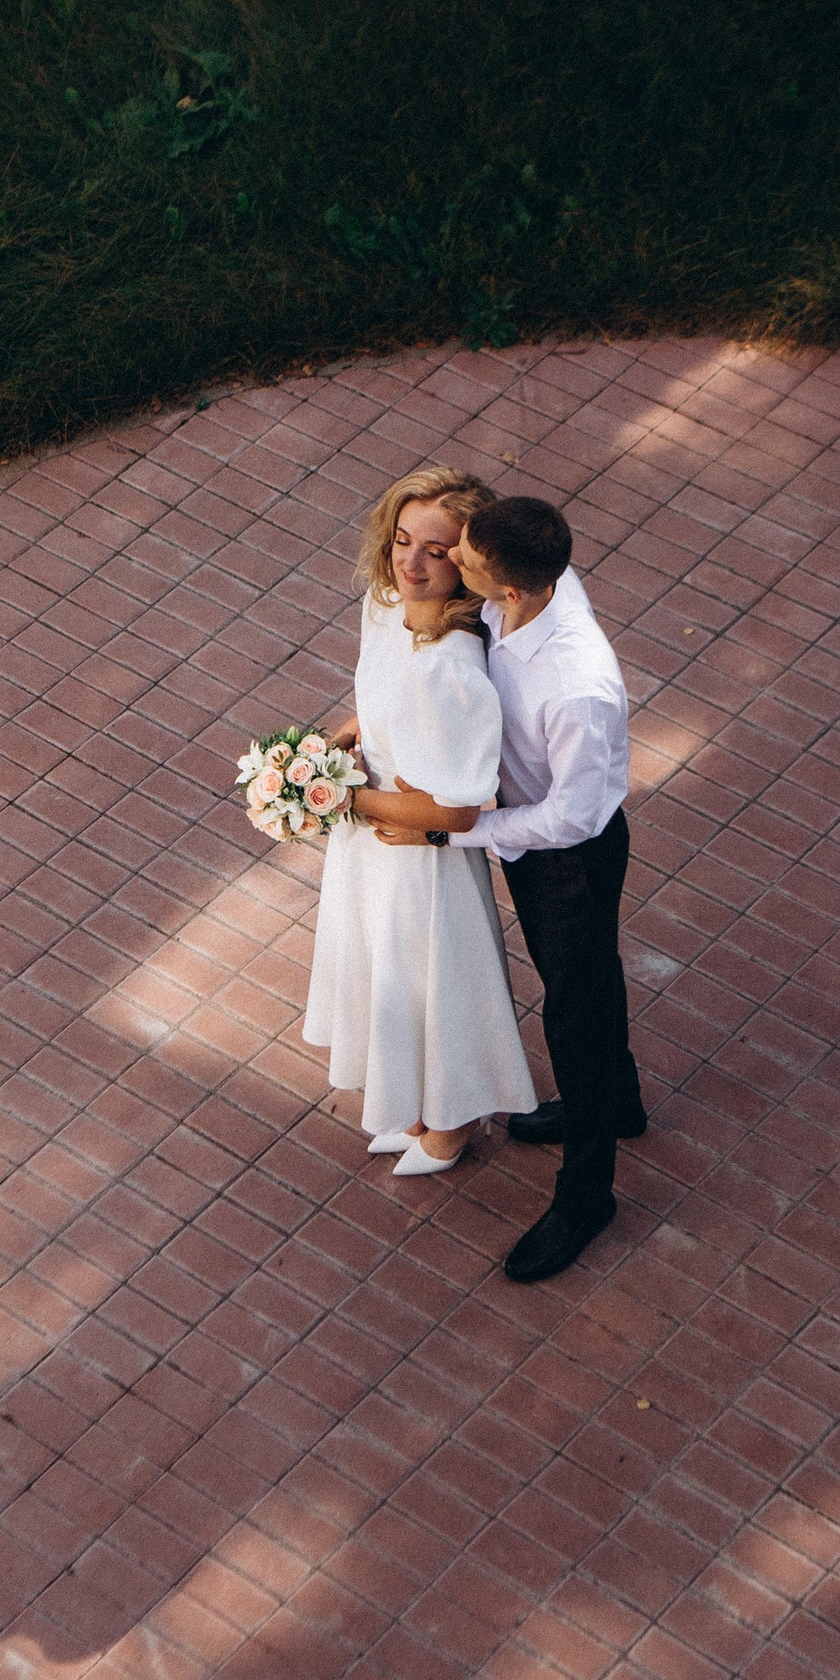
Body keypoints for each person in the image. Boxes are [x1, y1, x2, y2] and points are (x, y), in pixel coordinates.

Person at [359, 490, 641, 1282]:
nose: (447, 570)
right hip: (527, 839)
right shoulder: (526, 583)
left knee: (572, 1018)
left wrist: (455, 828)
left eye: (463, 563)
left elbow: (574, 816)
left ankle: (587, 1197)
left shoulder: (578, 686)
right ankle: (620, 1103)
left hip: (568, 859)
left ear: (508, 589)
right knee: (581, 982)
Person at [300, 466, 535, 1173]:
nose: (411, 562)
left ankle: (454, 1119)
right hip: (371, 843)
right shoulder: (383, 604)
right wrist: (341, 742)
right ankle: (419, 1104)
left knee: (431, 982)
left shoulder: (455, 666)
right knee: (387, 974)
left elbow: (456, 806)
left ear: (466, 562)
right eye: (403, 541)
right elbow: (380, 696)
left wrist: (344, 797)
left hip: (418, 853)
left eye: (436, 551)